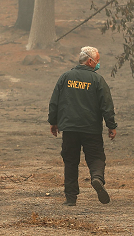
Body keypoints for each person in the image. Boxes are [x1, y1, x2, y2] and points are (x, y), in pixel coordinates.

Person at [48, 46, 117, 206]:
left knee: (71, 162)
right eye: (97, 60)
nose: (98, 64)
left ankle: (71, 198)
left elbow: (54, 102)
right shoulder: (97, 80)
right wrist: (111, 125)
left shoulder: (65, 77)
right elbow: (106, 105)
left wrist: (53, 122)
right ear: (90, 61)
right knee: (96, 157)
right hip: (91, 128)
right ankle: (97, 178)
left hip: (69, 129)